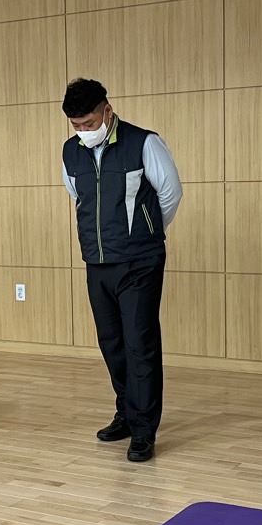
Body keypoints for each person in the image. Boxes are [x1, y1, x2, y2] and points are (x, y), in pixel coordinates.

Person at [61, 78, 183, 463]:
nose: (83, 131)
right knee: (111, 342)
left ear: (107, 111)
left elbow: (170, 193)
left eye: (89, 122)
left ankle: (144, 429)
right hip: (97, 261)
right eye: (76, 125)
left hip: (139, 260)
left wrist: (146, 233)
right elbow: (78, 196)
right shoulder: (71, 152)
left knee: (139, 343)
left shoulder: (144, 143)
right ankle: (127, 413)